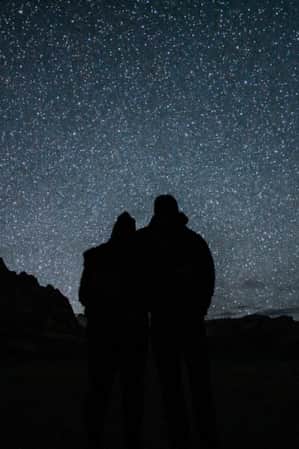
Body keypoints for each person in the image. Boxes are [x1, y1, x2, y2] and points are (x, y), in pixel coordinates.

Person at [135, 195, 218, 449]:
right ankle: (203, 437)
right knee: (195, 385)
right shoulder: (193, 241)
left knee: (174, 387)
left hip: (167, 322)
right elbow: (207, 277)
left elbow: (136, 275)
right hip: (185, 321)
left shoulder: (148, 241)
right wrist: (199, 308)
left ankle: (183, 438)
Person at [79, 212, 148, 449]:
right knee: (132, 390)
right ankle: (131, 438)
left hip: (102, 334)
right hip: (132, 335)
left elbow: (84, 295)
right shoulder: (141, 262)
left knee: (99, 388)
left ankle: (94, 437)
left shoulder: (95, 257)